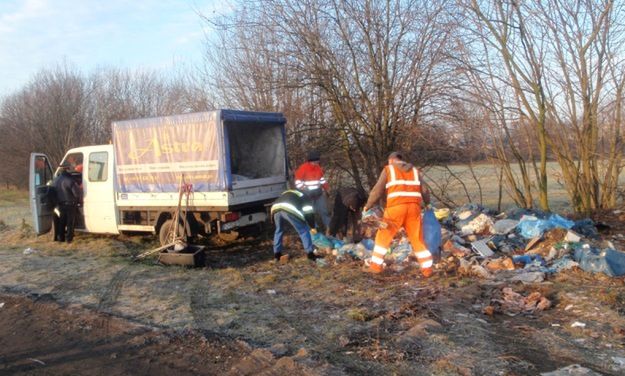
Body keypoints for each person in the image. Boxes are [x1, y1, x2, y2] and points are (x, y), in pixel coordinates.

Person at [362, 152, 434, 277]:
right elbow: (425, 190)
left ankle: (375, 266)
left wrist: (368, 205)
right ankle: (427, 269)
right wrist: (427, 203)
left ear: (391, 160)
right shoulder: (415, 171)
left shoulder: (389, 169)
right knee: (417, 238)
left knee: (383, 236)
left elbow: (377, 190)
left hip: (396, 208)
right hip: (414, 208)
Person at [271, 189, 321, 263]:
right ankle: (310, 254)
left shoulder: (294, 191)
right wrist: (312, 227)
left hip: (275, 208)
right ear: (312, 196)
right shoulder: (306, 197)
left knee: (278, 230)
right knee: (304, 230)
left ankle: (277, 255)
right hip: (288, 207)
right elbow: (309, 214)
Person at [294, 151, 331, 231]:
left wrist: (327, 188)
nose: (318, 161)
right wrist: (305, 190)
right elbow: (297, 182)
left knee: (324, 212)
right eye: (317, 160)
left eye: (318, 160)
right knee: (310, 213)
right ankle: (314, 230)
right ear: (313, 160)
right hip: (308, 196)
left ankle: (329, 229)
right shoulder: (303, 168)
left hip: (319, 195)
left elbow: (322, 180)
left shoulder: (318, 168)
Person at [53, 161, 82, 243]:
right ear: (67, 169)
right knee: (70, 223)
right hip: (70, 205)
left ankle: (60, 239)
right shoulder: (70, 180)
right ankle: (69, 240)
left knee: (62, 222)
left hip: (60, 205)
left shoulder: (56, 180)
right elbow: (77, 194)